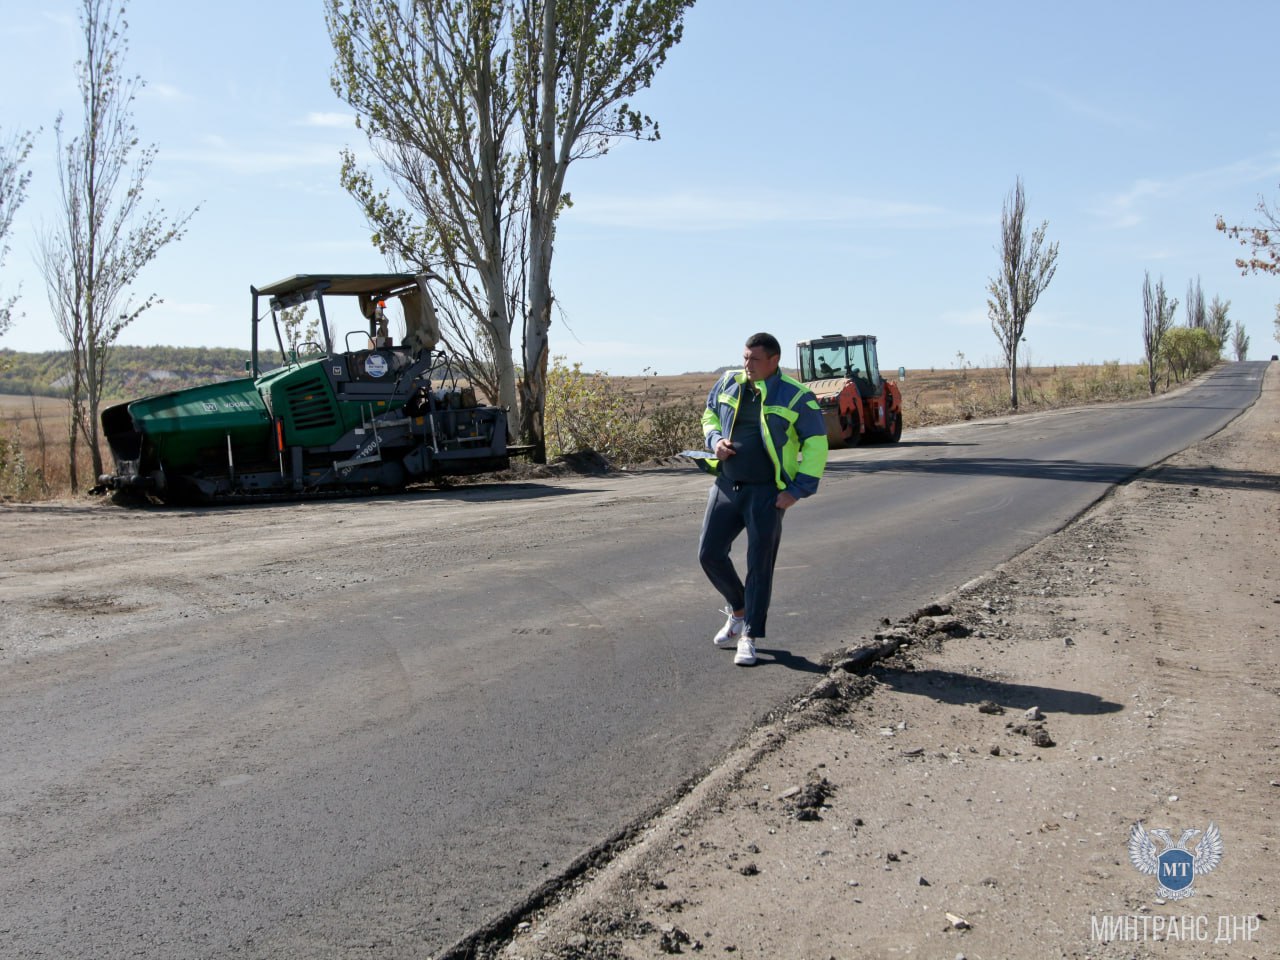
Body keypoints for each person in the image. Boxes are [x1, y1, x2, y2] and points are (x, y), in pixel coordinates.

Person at [696, 332, 829, 666]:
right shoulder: (729, 382)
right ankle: (738, 609)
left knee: (759, 565)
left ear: (774, 361)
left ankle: (749, 636)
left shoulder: (796, 396)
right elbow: (710, 415)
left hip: (767, 492)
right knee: (709, 554)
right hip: (727, 484)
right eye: (744, 357)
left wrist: (798, 490)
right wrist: (715, 441)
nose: (747, 365)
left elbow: (816, 444)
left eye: (754, 360)